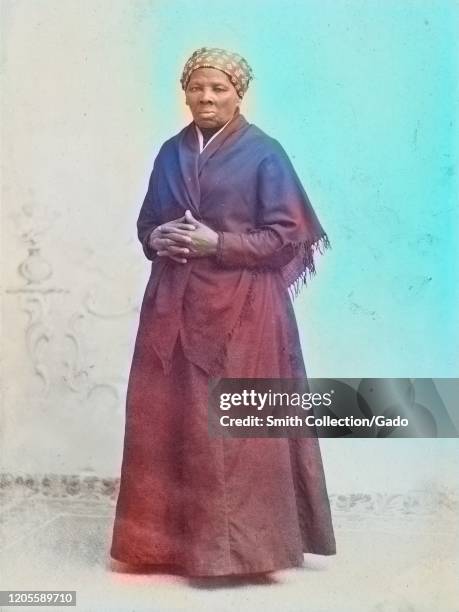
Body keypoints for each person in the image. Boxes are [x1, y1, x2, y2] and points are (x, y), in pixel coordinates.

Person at [110, 46, 336, 578]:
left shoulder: (265, 153)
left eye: (219, 88)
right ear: (185, 92)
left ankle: (247, 553)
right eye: (197, 87)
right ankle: (168, 549)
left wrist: (219, 244)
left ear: (239, 94)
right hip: (173, 305)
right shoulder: (170, 151)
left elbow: (287, 236)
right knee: (170, 418)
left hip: (245, 309)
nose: (206, 97)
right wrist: (156, 236)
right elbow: (148, 222)